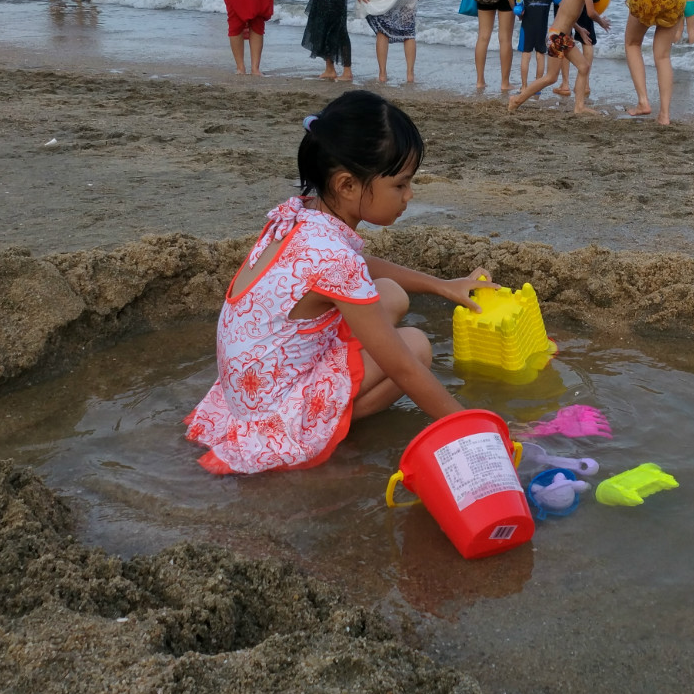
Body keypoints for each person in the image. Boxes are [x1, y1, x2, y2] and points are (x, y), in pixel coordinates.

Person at [183, 90, 492, 475]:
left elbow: (358, 263)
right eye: (400, 185)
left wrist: (443, 284)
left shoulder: (301, 215)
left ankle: (327, 411)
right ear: (347, 185)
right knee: (415, 348)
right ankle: (320, 430)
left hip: (249, 391)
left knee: (391, 295)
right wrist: (477, 431)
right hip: (273, 416)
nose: (409, 196)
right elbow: (402, 368)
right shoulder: (333, 259)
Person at [509, 0, 606, 115]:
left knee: (583, 67)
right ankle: (517, 99)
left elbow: (565, 12)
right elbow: (591, 12)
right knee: (551, 77)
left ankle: (579, 106)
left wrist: (580, 29)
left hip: (558, 34)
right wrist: (601, 21)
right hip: (559, 36)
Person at [514, 0, 560, 88]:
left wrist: (518, 11)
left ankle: (523, 86)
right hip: (541, 28)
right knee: (540, 55)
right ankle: (537, 87)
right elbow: (560, 2)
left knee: (526, 55)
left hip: (527, 27)